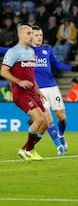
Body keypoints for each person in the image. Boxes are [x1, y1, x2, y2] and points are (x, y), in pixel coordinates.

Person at [30, 25, 78, 154]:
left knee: (62, 117)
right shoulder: (26, 51)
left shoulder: (47, 49)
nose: (39, 37)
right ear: (31, 36)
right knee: (47, 119)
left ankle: (61, 134)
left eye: (41, 35)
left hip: (52, 87)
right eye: (36, 35)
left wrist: (73, 68)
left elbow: (57, 64)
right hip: (39, 90)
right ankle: (58, 146)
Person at [0, 24, 47, 160]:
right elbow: (3, 71)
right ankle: (25, 149)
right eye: (28, 33)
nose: (31, 35)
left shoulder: (31, 52)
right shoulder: (13, 52)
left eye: (32, 33)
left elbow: (31, 76)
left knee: (45, 123)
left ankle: (30, 149)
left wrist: (38, 91)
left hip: (33, 92)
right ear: (20, 35)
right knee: (38, 119)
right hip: (21, 93)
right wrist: (19, 81)